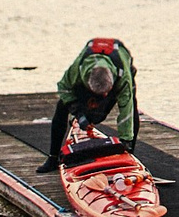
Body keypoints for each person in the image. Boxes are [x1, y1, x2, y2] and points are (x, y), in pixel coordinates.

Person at [43, 36, 136, 169]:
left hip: (119, 65)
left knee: (132, 105)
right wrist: (79, 113)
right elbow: (63, 88)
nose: (103, 97)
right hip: (90, 75)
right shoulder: (76, 70)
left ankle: (131, 154)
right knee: (61, 106)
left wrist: (125, 140)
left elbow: (126, 110)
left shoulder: (123, 78)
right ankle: (52, 158)